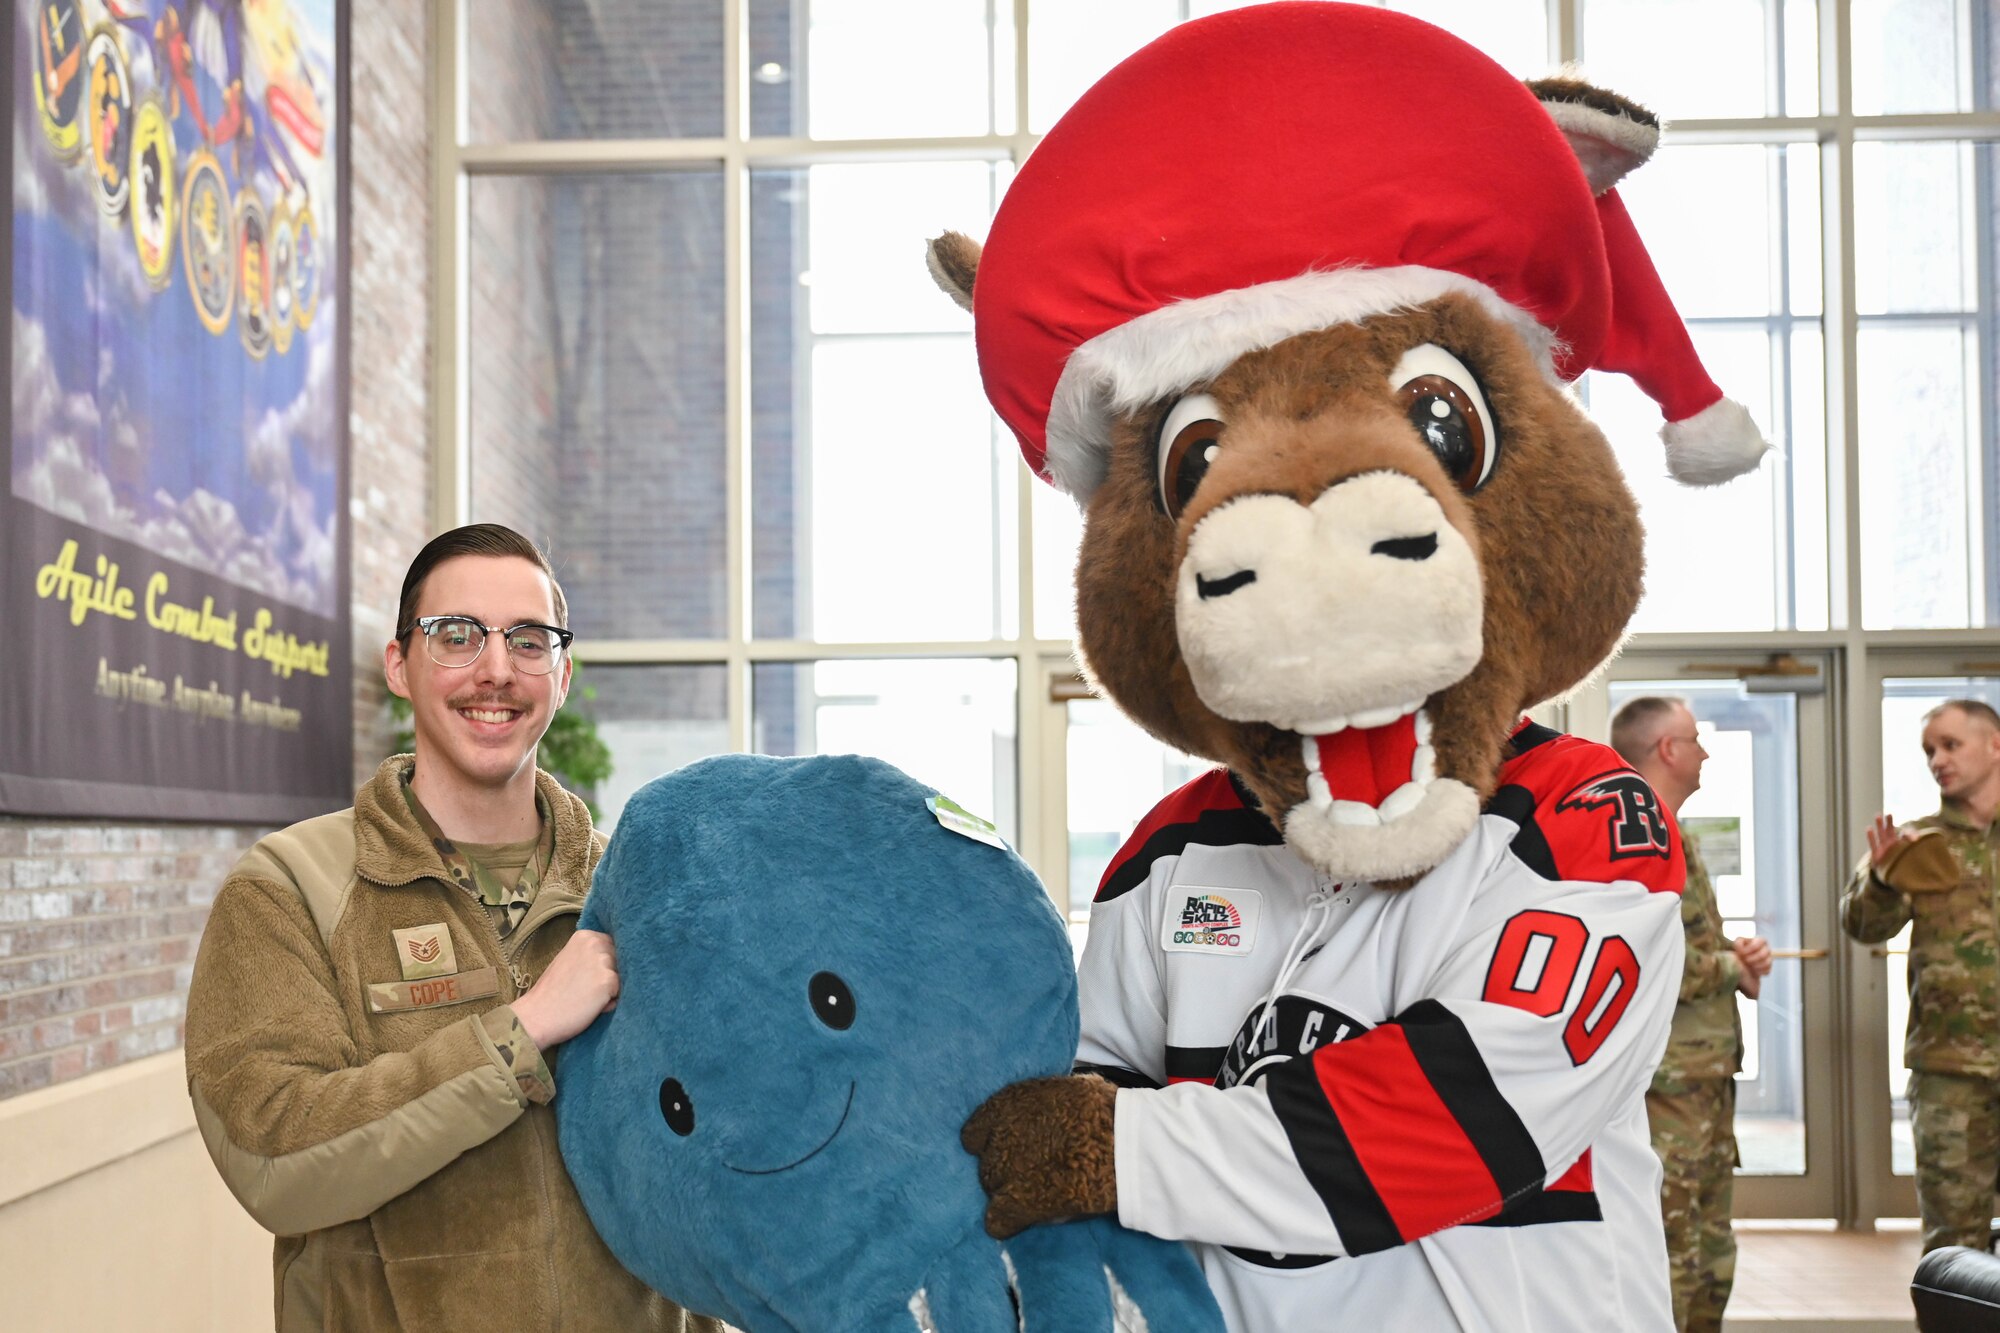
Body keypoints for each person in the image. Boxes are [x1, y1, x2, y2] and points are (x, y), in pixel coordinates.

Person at [185, 524, 718, 1331]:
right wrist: (522, 1032)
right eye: (457, 635)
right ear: (400, 665)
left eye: (529, 640)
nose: (496, 669)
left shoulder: (640, 890)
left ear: (562, 673)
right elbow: (274, 1157)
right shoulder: (289, 887)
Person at [1611, 697, 1772, 1333]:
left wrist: (1735, 955)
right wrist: (1734, 967)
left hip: (1702, 1076)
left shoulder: (1673, 831)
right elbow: (1651, 960)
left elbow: (1691, 943)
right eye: (1694, 739)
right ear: (1668, 752)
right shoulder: (1643, 835)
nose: (1704, 752)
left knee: (1710, 1251)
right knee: (1673, 1251)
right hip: (1669, 1083)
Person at [1842, 698, 2000, 1254]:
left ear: (1994, 745)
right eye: (1930, 750)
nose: (1937, 760)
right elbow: (1861, 926)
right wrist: (1882, 879)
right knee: (1954, 1243)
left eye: (1950, 745)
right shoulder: (1916, 844)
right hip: (1950, 1072)